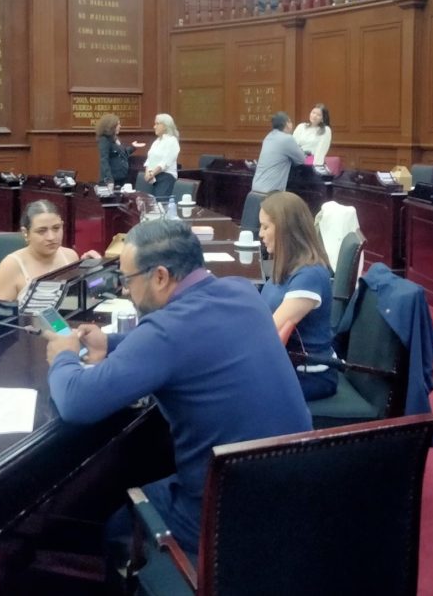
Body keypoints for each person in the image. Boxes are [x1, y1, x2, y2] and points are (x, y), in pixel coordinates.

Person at [44, 219, 312, 557]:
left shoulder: (167, 330)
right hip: (296, 491)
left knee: (116, 525)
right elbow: (193, 340)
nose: (125, 290)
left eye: (127, 280)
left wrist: (64, 356)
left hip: (228, 516)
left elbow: (75, 401)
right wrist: (110, 343)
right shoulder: (241, 290)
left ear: (160, 276)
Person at [258, 192, 338, 400]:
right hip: (286, 366)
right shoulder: (287, 266)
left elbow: (271, 330)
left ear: (285, 229)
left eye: (265, 227)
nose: (260, 234)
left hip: (309, 375)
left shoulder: (310, 275)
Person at [0, 200, 101, 304]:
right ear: (25, 233)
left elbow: (80, 301)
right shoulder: (10, 266)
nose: (51, 237)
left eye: (56, 228)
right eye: (41, 231)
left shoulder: (70, 256)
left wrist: (92, 271)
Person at [252, 111, 305, 193]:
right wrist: (311, 157)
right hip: (271, 193)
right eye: (290, 122)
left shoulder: (268, 137)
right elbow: (303, 160)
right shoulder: (287, 139)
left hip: (255, 189)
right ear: (287, 124)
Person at [133, 113, 180, 200]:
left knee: (160, 205)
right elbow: (149, 159)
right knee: (145, 203)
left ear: (165, 126)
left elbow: (165, 162)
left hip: (165, 177)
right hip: (152, 178)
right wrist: (147, 173)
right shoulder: (156, 142)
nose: (154, 127)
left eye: (157, 124)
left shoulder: (172, 141)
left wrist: (152, 173)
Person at [96, 113, 143, 187]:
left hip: (122, 179)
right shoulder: (104, 140)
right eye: (118, 124)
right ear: (111, 126)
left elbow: (123, 154)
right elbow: (104, 161)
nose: (120, 126)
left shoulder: (115, 138)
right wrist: (109, 180)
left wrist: (133, 147)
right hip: (112, 181)